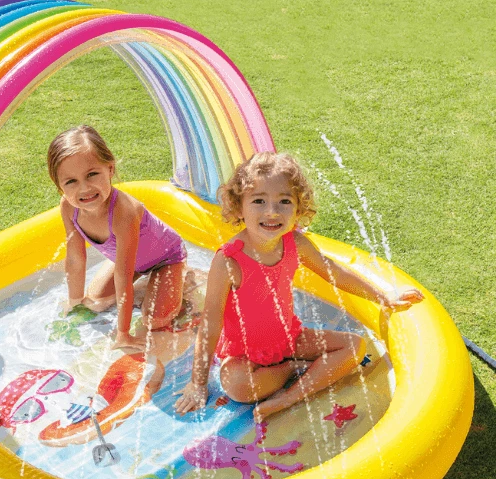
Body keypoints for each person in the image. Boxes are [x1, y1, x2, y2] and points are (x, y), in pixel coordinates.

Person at [174, 152, 424, 420]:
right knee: (238, 387)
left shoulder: (295, 243)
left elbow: (334, 272)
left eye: (284, 201)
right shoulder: (229, 261)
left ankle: (288, 397)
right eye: (258, 201)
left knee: (355, 346)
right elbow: (210, 323)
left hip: (288, 339)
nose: (272, 211)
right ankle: (293, 369)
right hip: (244, 353)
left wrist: (383, 296)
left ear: (298, 208)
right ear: (239, 207)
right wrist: (198, 383)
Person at [47, 125, 188, 352]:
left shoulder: (124, 212)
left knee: (155, 320)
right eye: (71, 181)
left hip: (166, 258)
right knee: (94, 302)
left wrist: (123, 334)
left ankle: (183, 276)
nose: (84, 188)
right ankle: (149, 285)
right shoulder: (68, 207)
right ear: (59, 186)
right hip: (131, 261)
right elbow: (75, 258)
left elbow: (123, 276)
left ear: (110, 169)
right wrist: (75, 303)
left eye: (92, 174)